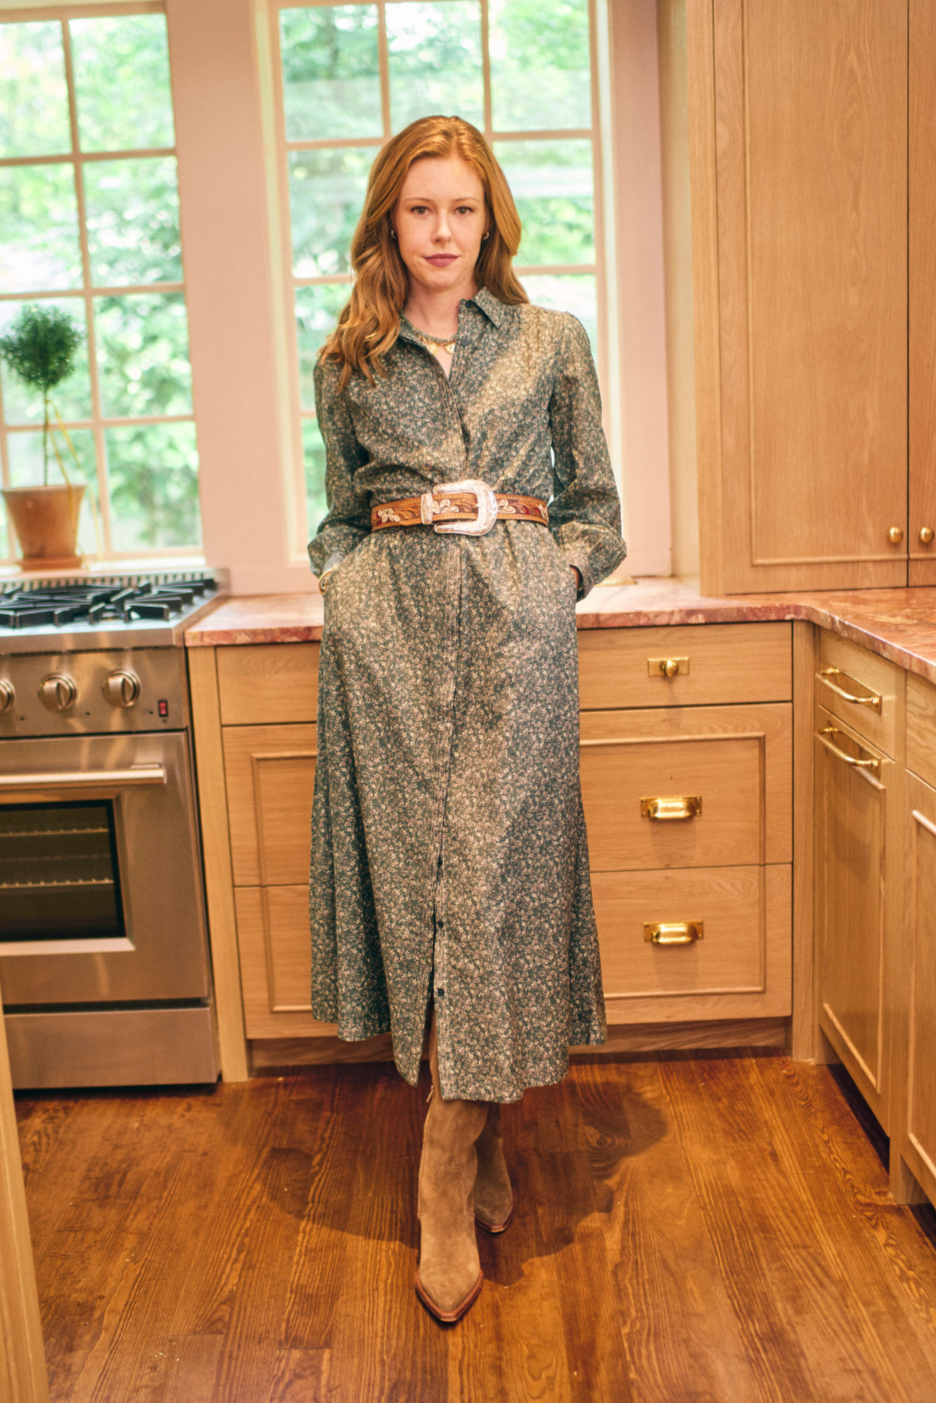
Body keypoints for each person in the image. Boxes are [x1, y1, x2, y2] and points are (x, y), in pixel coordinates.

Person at [308, 114, 626, 1324]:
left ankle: (442, 1163)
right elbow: (337, 519)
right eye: (419, 208)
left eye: (462, 207)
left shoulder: (550, 341)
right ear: (389, 221)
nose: (441, 230)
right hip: (387, 655)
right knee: (428, 893)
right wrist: (346, 591)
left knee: (494, 891)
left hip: (516, 652)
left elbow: (598, 509)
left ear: (490, 219)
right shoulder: (348, 360)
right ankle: (481, 1137)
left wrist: (550, 580)